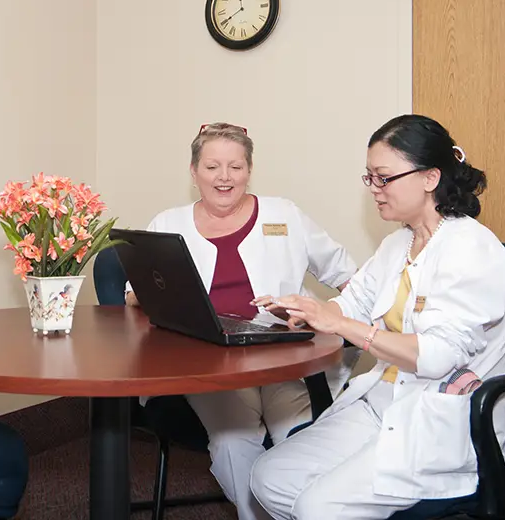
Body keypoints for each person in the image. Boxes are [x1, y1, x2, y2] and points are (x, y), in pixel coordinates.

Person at [248, 114, 505, 520]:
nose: (374, 189)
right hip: (383, 402)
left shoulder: (473, 250)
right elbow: (352, 303)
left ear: (430, 178)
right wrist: (309, 312)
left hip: (443, 420)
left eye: (384, 177)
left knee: (316, 507)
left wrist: (340, 324)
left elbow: (436, 356)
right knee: (269, 477)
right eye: (369, 177)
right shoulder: (399, 243)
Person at [125, 122, 359, 520]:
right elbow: (136, 296)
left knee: (304, 439)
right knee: (234, 441)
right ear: (194, 171)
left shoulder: (284, 214)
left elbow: (351, 279)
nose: (224, 178)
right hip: (208, 365)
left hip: (280, 357)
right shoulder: (168, 222)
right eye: (212, 166)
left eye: (236, 167)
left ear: (249, 170)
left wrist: (314, 313)